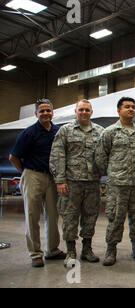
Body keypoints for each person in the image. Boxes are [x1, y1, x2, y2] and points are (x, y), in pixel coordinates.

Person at [9, 98, 66, 267]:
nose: (45, 113)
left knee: (53, 215)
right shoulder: (28, 133)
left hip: (52, 177)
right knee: (33, 216)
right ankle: (35, 253)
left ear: (52, 113)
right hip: (33, 175)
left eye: (48, 110)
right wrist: (26, 172)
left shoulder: (57, 131)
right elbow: (13, 157)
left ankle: (52, 250)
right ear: (36, 114)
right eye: (42, 111)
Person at [95, 97, 135, 266]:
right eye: (127, 107)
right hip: (117, 185)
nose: (131, 109)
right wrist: (113, 174)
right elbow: (100, 157)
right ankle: (111, 250)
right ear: (118, 110)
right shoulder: (109, 132)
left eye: (133, 107)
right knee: (115, 218)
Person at [49, 99, 104, 267]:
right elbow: (57, 155)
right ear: (76, 111)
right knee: (70, 218)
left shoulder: (100, 132)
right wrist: (60, 180)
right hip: (71, 183)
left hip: (92, 183)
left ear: (91, 112)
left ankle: (87, 249)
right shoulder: (65, 130)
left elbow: (104, 155)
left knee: (90, 217)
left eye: (87, 110)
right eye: (81, 110)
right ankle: (71, 252)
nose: (84, 112)